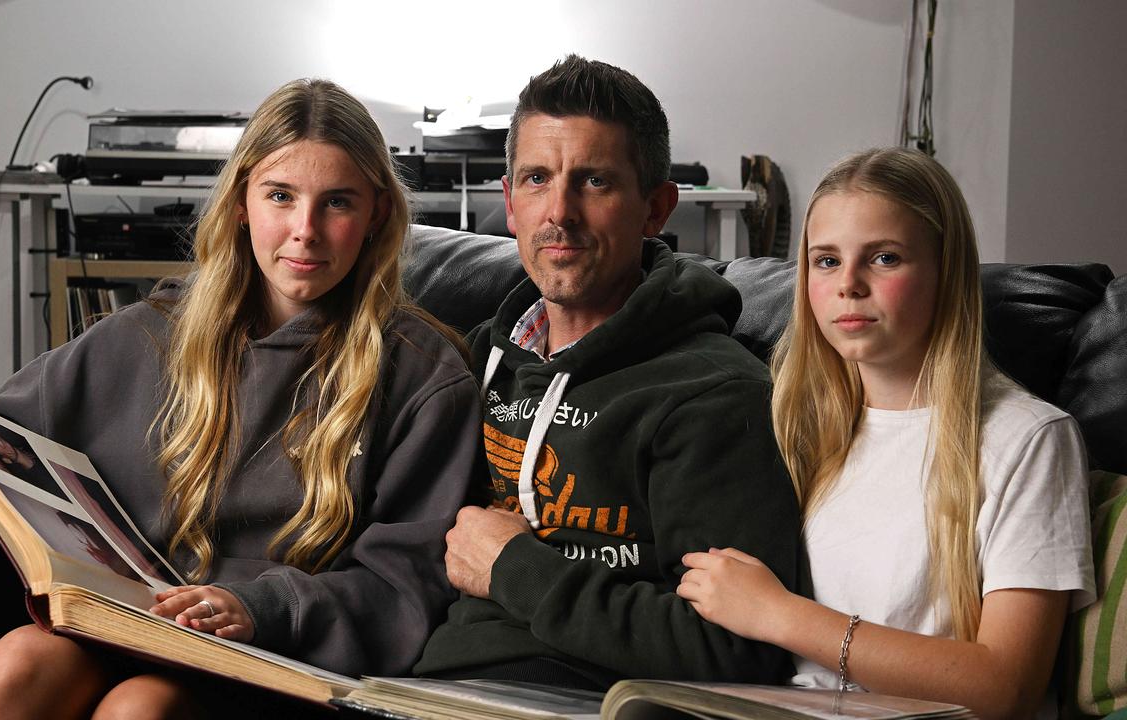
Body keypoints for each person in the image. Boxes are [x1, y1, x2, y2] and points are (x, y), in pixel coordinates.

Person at [0, 79, 482, 719]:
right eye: (280, 196)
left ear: (378, 212)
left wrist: (263, 608)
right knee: (16, 665)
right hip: (135, 623)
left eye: (338, 203)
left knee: (139, 709)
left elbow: (405, 589)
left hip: (273, 653)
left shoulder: (424, 375)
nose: (305, 231)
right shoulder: (150, 332)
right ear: (242, 201)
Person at [413, 55, 802, 689]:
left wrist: (518, 570)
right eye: (538, 178)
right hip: (426, 685)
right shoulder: (478, 359)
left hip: (586, 697)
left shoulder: (716, 394)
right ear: (509, 204)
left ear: (656, 209)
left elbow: (737, 648)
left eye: (594, 182)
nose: (558, 212)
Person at [677, 148, 1095, 719]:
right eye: (826, 261)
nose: (849, 284)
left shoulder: (1030, 439)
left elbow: (1008, 687)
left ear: (945, 271)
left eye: (885, 258)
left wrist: (779, 614)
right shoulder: (788, 420)